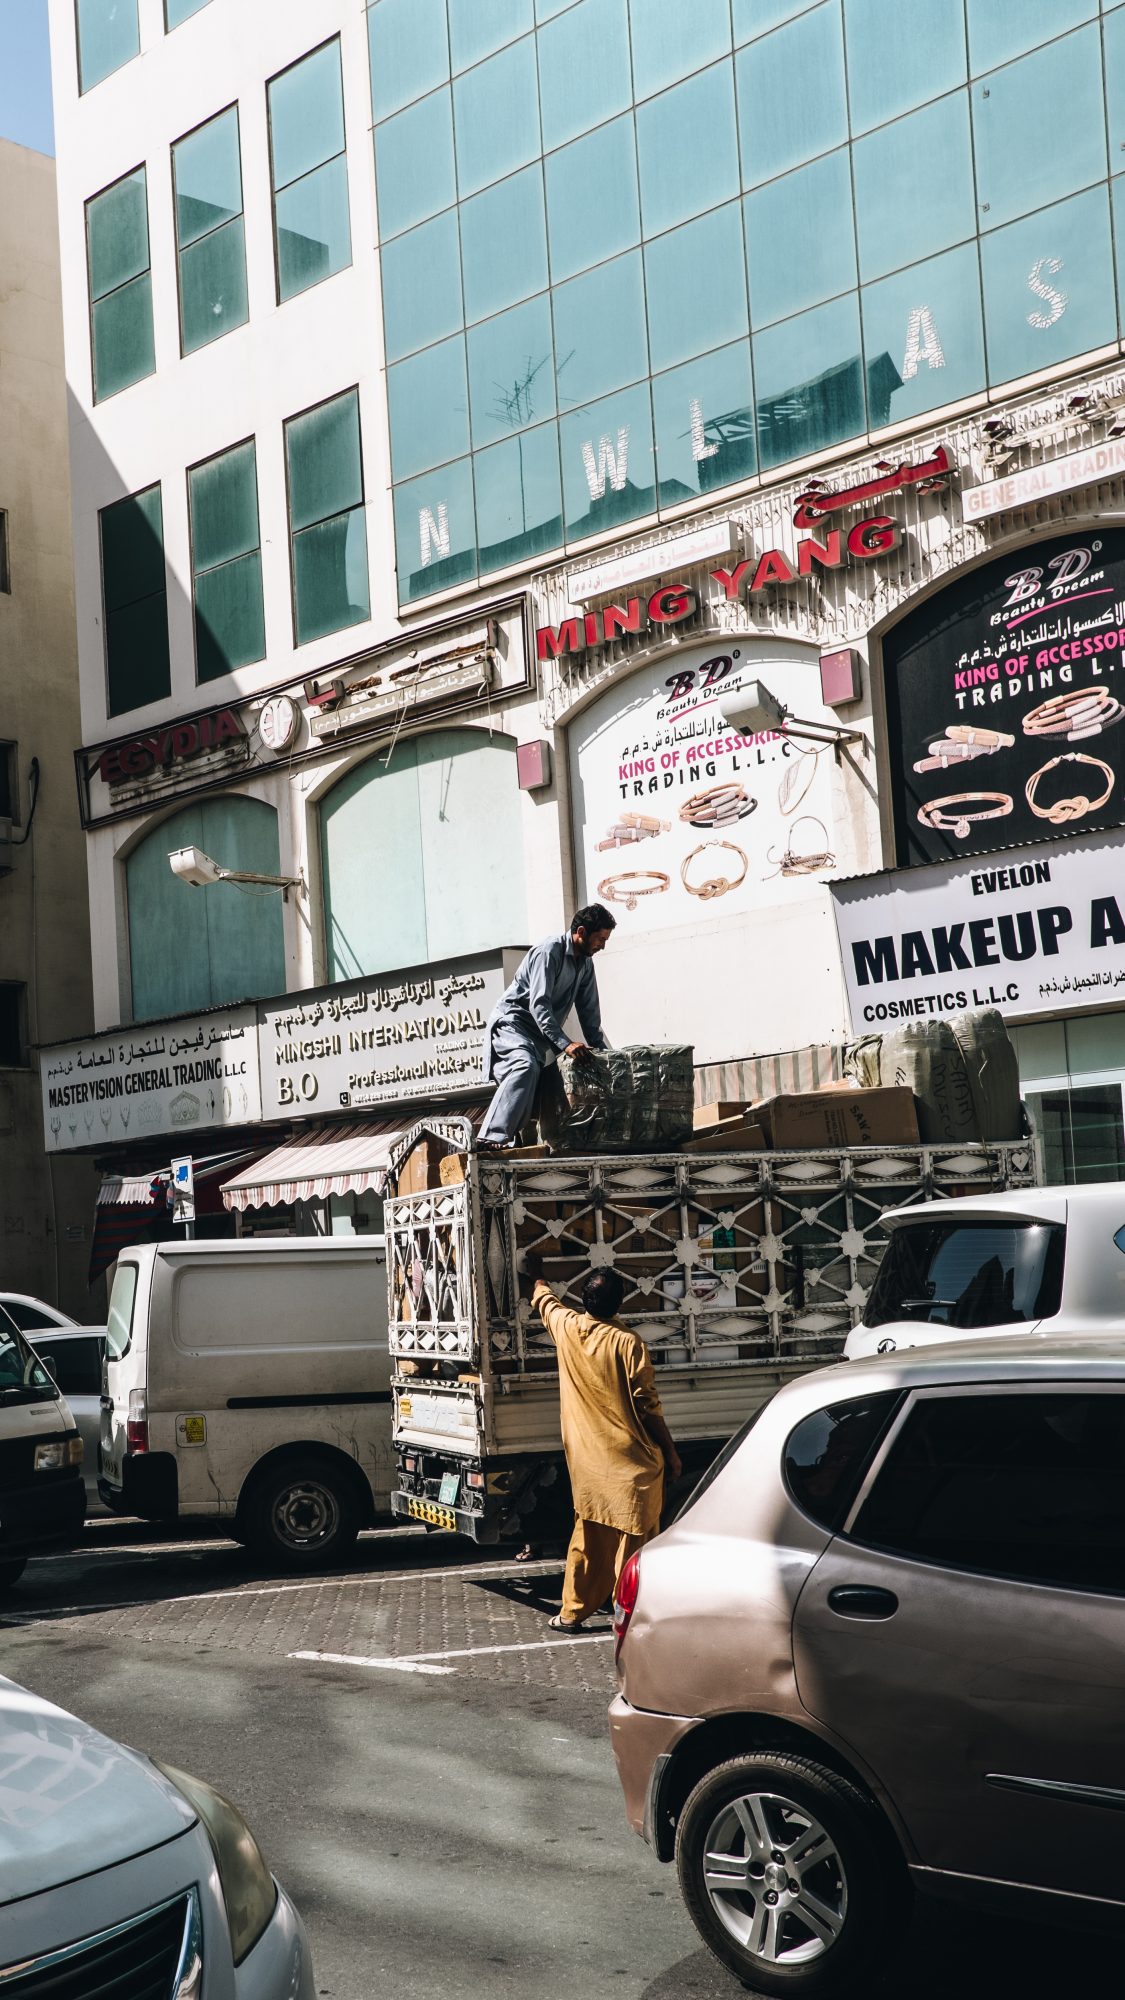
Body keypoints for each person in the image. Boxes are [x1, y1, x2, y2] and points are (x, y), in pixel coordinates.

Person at [522, 1251, 682, 1631]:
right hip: (632, 1466)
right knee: (633, 1547)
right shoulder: (629, 1343)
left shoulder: (568, 1327)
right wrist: (672, 1453)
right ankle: (630, 1614)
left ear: (584, 1300)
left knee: (588, 1541)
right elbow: (647, 1405)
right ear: (619, 1304)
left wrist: (537, 1274)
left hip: (589, 1465)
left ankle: (571, 1612)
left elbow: (545, 1299)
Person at [476, 905, 615, 1149]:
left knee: (556, 1082)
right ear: (581, 931)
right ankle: (490, 1138)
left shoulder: (585, 964)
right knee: (524, 1066)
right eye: (600, 939)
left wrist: (609, 1059)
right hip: (512, 1026)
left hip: (538, 1038)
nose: (603, 945)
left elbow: (590, 1017)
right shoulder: (549, 951)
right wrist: (566, 1044)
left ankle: (544, 1143)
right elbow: (539, 1005)